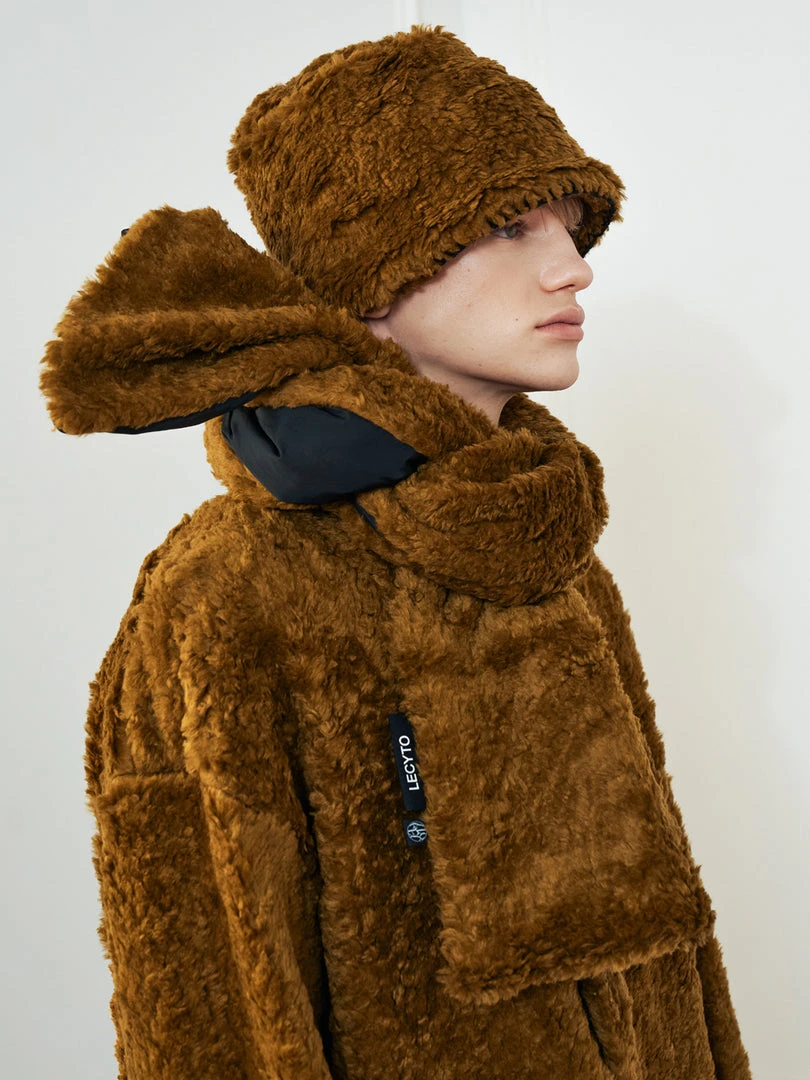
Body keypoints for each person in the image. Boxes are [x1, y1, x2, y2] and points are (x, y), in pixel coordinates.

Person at [40, 25, 751, 1080]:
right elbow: (208, 1010)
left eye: (569, 229)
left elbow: (669, 966)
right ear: (372, 275)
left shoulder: (544, 545)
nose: (573, 268)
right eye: (511, 226)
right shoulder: (228, 593)